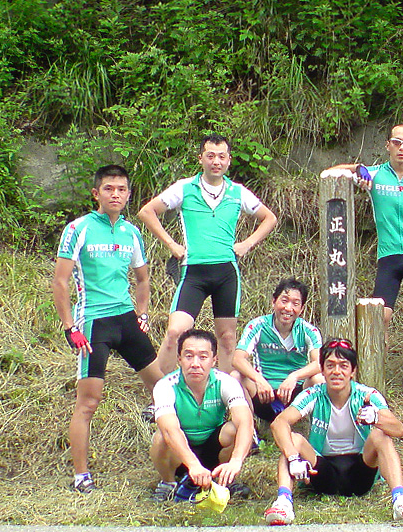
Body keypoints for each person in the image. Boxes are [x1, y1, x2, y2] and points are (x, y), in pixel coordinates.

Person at [52, 164, 164, 494]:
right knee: (89, 401)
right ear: (96, 193)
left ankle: (178, 465)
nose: (115, 195)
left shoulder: (131, 232)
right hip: (93, 322)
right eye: (108, 189)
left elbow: (142, 278)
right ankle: (81, 476)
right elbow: (60, 282)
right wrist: (70, 326)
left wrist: (143, 314)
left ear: (128, 194)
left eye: (121, 189)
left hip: (126, 318)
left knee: (163, 389)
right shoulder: (79, 228)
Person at [326, 124, 403, 402]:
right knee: (380, 315)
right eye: (396, 142)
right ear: (388, 145)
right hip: (389, 256)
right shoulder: (375, 174)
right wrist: (357, 168)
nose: (402, 148)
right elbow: (331, 172)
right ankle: (374, 369)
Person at [138, 133, 277, 373]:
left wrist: (247, 244)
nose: (216, 162)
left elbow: (270, 218)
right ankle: (159, 389)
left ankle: (223, 390)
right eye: (210, 156)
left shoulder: (237, 191)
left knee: (227, 338)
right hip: (194, 272)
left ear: (229, 160)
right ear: (200, 158)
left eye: (222, 156)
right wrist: (171, 244)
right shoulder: (185, 188)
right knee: (175, 331)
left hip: (226, 272)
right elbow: (147, 212)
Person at [263, 338, 403, 525]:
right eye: (330, 365)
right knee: (292, 439)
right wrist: (293, 458)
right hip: (322, 470)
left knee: (380, 435)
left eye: (343, 366)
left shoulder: (367, 394)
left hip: (360, 471)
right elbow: (279, 423)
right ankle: (283, 503)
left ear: (353, 371)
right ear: (322, 371)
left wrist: (376, 418)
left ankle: (400, 500)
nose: (336, 371)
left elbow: (399, 429)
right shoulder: (313, 394)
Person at [150, 328, 254, 502]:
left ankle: (224, 478)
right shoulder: (165, 386)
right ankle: (168, 482)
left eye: (203, 357)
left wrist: (236, 461)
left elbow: (246, 422)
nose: (195, 364)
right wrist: (193, 465)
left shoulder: (226, 382)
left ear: (214, 360)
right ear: (179, 359)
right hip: (180, 453)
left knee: (234, 429)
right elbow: (169, 430)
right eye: (189, 356)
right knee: (161, 437)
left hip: (213, 449)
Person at [233, 278, 323, 425]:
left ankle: (316, 429)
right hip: (263, 393)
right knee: (235, 376)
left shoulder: (308, 330)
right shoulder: (258, 325)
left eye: (295, 304)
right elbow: (237, 359)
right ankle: (248, 428)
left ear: (302, 309)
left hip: (295, 395)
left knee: (318, 379)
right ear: (273, 302)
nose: (288, 308)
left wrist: (294, 377)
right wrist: (259, 380)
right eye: (284, 301)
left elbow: (319, 363)